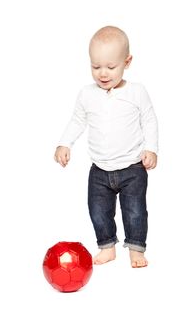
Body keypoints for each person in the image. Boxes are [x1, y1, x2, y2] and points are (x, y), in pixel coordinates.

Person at [54, 26, 158, 268]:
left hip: (133, 168)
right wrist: (64, 143)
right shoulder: (87, 94)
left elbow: (150, 119)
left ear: (127, 62)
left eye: (111, 67)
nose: (103, 73)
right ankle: (107, 247)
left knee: (135, 211)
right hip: (99, 170)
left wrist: (151, 148)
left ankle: (136, 248)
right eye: (95, 66)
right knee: (98, 211)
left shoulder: (136, 92)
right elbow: (77, 120)